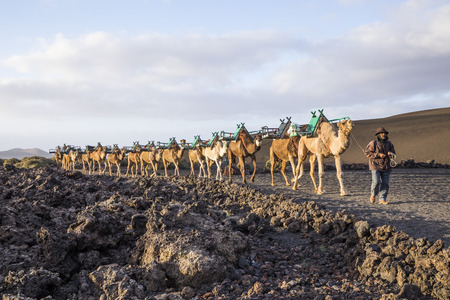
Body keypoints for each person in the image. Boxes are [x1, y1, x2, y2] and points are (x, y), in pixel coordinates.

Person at [365, 127, 396, 205]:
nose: (383, 134)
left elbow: (394, 154)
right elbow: (368, 153)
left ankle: (382, 198)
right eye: (381, 133)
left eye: (384, 133)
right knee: (376, 182)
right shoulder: (373, 143)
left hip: (386, 166)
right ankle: (373, 194)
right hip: (375, 165)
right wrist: (378, 155)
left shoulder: (389, 143)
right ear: (378, 135)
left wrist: (390, 154)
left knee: (385, 183)